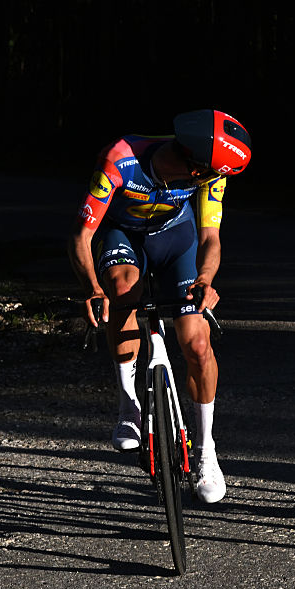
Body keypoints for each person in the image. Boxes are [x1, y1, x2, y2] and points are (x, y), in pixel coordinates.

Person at [68, 109, 252, 504]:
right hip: (123, 235)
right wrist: (92, 289)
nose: (217, 180)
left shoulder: (210, 174)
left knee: (197, 343)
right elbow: (82, 237)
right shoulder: (119, 160)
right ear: (195, 163)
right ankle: (128, 406)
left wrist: (205, 280)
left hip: (175, 240)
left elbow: (210, 239)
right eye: (213, 174)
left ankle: (206, 451)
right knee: (122, 289)